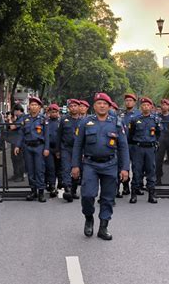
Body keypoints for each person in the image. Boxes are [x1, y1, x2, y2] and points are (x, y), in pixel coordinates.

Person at [72, 93, 129, 240]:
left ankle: (103, 227)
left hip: (110, 164)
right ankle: (89, 218)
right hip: (90, 164)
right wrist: (75, 165)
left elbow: (123, 147)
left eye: (105, 103)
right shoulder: (85, 122)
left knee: (108, 198)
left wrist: (124, 168)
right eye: (99, 103)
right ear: (94, 106)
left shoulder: (117, 122)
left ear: (109, 106)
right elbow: (78, 145)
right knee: (88, 195)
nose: (102, 106)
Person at [14, 97, 50, 202]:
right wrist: (17, 145)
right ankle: (33, 191)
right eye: (32, 105)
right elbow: (21, 134)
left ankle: (41, 192)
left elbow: (47, 135)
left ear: (39, 107)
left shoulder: (43, 119)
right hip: (27, 147)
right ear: (29, 107)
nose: (33, 107)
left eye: (36, 105)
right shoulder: (25, 119)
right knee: (30, 170)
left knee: (39, 170)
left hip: (39, 147)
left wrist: (46, 148)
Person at [128, 97, 160, 204]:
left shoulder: (155, 119)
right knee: (137, 171)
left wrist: (154, 142)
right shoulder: (135, 119)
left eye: (148, 105)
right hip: (138, 148)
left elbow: (158, 133)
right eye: (143, 105)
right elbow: (131, 134)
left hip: (150, 148)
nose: (145, 107)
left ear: (151, 107)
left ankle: (151, 195)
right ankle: (133, 194)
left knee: (151, 171)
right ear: (141, 107)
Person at [57, 99, 81, 202]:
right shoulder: (64, 119)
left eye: (75, 106)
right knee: (66, 169)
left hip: (79, 149)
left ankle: (74, 191)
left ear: (79, 107)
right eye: (71, 106)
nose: (73, 108)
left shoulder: (83, 121)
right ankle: (68, 189)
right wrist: (58, 150)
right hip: (66, 148)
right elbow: (59, 135)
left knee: (76, 169)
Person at [120, 94, 141, 197]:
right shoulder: (121, 115)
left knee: (137, 167)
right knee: (124, 166)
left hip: (136, 144)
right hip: (124, 145)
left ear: (134, 102)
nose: (128, 102)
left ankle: (136, 187)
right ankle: (125, 186)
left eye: (130, 100)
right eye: (127, 100)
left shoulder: (139, 114)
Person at [155, 98, 169, 186]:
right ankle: (158, 179)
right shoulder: (157, 117)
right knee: (158, 160)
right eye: (162, 105)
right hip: (161, 140)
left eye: (166, 105)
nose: (164, 106)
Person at [45, 103, 61, 197]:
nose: (54, 114)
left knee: (59, 169)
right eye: (52, 112)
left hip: (58, 148)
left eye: (55, 112)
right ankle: (52, 186)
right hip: (49, 148)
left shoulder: (61, 122)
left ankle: (61, 187)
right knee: (50, 168)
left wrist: (59, 150)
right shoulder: (46, 122)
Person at [8, 104, 25, 182]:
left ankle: (20, 176)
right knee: (14, 158)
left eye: (14, 111)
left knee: (18, 158)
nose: (14, 113)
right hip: (14, 140)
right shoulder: (18, 118)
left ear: (18, 110)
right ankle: (16, 174)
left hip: (19, 141)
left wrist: (10, 120)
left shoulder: (23, 118)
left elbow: (13, 127)